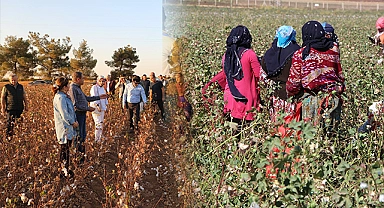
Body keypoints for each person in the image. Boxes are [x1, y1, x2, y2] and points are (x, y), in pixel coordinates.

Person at [286, 20, 345, 134]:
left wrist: (291, 94)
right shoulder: (334, 49)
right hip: (333, 99)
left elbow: (293, 83)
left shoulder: (300, 54)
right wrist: (339, 89)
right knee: (331, 135)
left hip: (311, 101)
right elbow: (339, 73)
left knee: (312, 138)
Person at [222, 25, 262, 125]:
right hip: (247, 100)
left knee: (232, 131)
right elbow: (259, 75)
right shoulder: (249, 54)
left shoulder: (226, 55)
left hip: (230, 97)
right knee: (247, 132)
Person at [261, 25, 301, 122]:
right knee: (291, 127)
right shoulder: (297, 52)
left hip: (275, 96)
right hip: (292, 97)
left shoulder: (269, 53)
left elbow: (263, 75)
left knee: (277, 124)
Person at [68, 72, 108, 163]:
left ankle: (82, 157)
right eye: (82, 78)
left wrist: (99, 97)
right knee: (79, 137)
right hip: (78, 115)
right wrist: (88, 108)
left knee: (82, 136)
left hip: (82, 114)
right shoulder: (73, 88)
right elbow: (75, 105)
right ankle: (78, 159)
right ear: (78, 79)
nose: (84, 80)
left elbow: (85, 98)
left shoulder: (77, 88)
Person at [52, 77, 78, 178]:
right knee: (64, 149)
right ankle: (63, 171)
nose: (69, 86)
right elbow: (64, 114)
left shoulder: (64, 96)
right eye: (68, 85)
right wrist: (73, 122)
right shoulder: (60, 98)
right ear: (64, 86)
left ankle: (66, 169)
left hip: (68, 127)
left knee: (66, 149)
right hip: (64, 128)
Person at [90, 76, 108, 142]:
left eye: (103, 81)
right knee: (98, 123)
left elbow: (105, 97)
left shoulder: (102, 88)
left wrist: (106, 105)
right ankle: (97, 139)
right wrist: (97, 105)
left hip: (102, 108)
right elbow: (94, 97)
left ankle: (100, 136)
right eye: (100, 81)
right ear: (97, 81)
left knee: (101, 122)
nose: (102, 82)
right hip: (96, 108)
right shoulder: (94, 88)